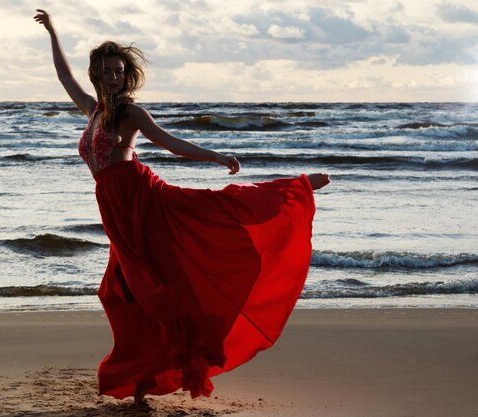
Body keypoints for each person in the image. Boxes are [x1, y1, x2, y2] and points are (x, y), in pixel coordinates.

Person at [34, 9, 330, 404]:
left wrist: (216, 157)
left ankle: (294, 189)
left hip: (140, 200)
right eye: (106, 70)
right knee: (123, 292)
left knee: (201, 222)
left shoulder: (131, 114)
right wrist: (53, 32)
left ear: (127, 74)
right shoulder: (93, 111)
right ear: (96, 74)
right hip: (115, 208)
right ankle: (141, 378)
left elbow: (171, 143)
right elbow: (63, 76)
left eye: (119, 70)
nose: (113, 76)